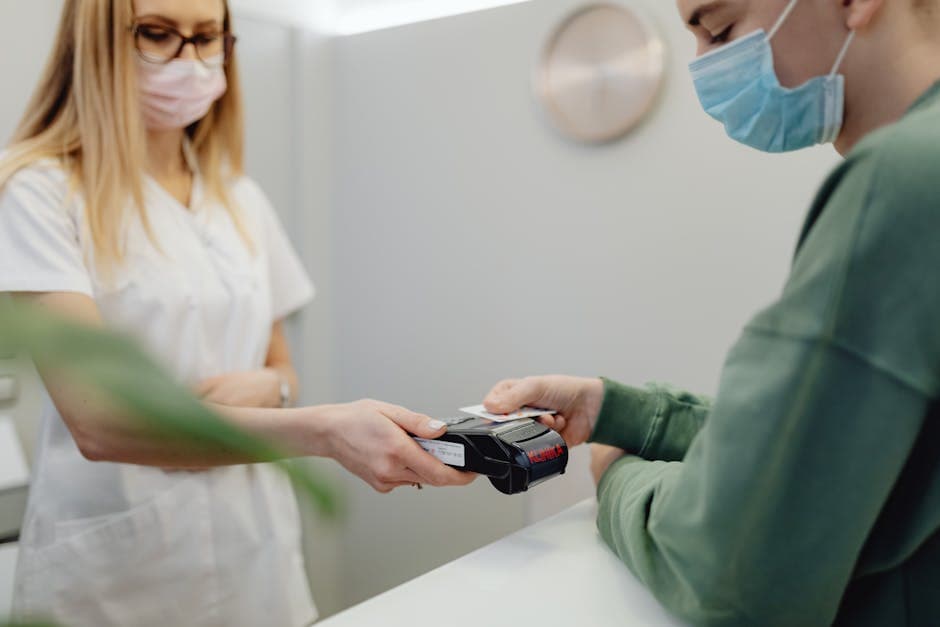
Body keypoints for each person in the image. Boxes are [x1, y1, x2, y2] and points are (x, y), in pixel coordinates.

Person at [0, 1, 472, 625]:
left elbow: (281, 367)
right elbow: (100, 423)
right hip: (116, 578)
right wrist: (324, 431)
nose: (190, 61)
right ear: (97, 42)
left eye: (207, 38)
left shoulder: (238, 197)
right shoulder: (39, 191)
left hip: (256, 554)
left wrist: (273, 385)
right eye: (158, 35)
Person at [484, 0, 940, 624]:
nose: (704, 63)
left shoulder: (900, 182)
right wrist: (618, 412)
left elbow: (729, 575)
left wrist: (617, 473)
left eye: (720, 28)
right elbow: (833, 451)